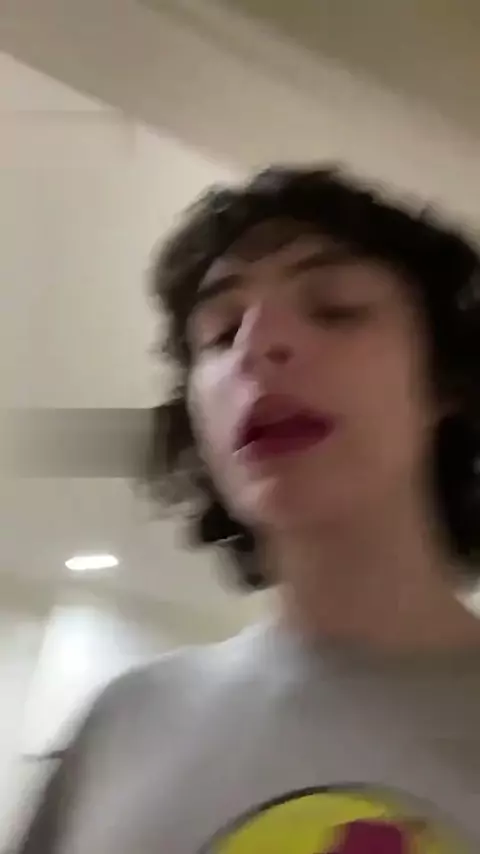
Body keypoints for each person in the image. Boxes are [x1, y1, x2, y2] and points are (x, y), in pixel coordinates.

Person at [15, 166, 480, 853]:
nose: (256, 345)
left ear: (444, 379)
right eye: (221, 331)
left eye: (335, 308)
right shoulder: (123, 726)